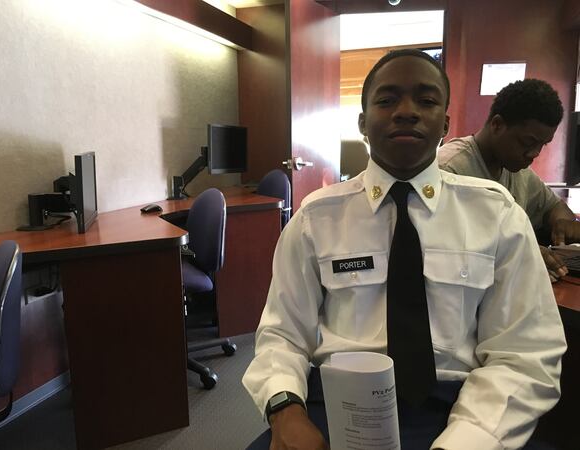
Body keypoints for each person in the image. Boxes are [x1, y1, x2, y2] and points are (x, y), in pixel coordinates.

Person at [242, 49, 566, 450]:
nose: (407, 111)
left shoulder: (498, 216)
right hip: (335, 407)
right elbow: (282, 334)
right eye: (387, 99)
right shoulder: (316, 219)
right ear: (362, 122)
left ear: (445, 122)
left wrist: (466, 440)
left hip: (465, 408)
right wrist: (285, 409)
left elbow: (525, 352)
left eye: (427, 100)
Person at [438, 79, 580, 281]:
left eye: (543, 145)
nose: (534, 153)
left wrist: (563, 223)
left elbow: (554, 206)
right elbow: (444, 247)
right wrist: (516, 250)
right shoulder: (449, 169)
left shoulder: (516, 169)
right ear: (497, 125)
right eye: (527, 142)